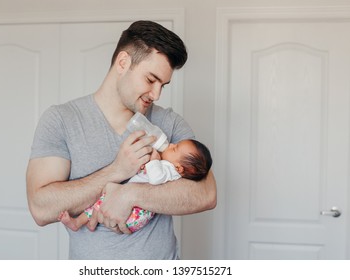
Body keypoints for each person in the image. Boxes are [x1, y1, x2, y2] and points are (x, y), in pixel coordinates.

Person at [26, 20, 217, 259]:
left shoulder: (170, 122)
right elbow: (40, 208)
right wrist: (116, 170)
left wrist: (130, 195)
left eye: (163, 85)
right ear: (123, 62)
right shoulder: (61, 120)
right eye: (150, 80)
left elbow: (207, 194)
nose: (156, 94)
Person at [58, 139, 212, 233]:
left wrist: (154, 159)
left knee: (102, 201)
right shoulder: (170, 168)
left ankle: (78, 222)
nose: (170, 144)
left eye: (175, 148)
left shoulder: (170, 170)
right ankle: (90, 223)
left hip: (137, 213)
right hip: (135, 213)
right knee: (103, 199)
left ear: (179, 168)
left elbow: (156, 178)